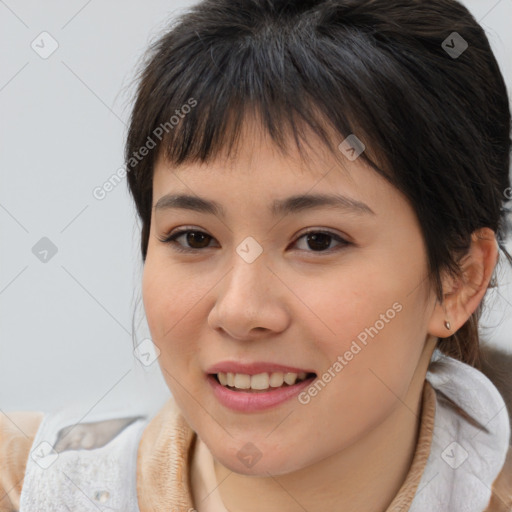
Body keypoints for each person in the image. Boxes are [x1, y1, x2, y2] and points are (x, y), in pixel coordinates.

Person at [1, 0, 512, 510]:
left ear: (458, 281)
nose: (241, 312)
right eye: (194, 238)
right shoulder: (23, 487)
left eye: (318, 240)